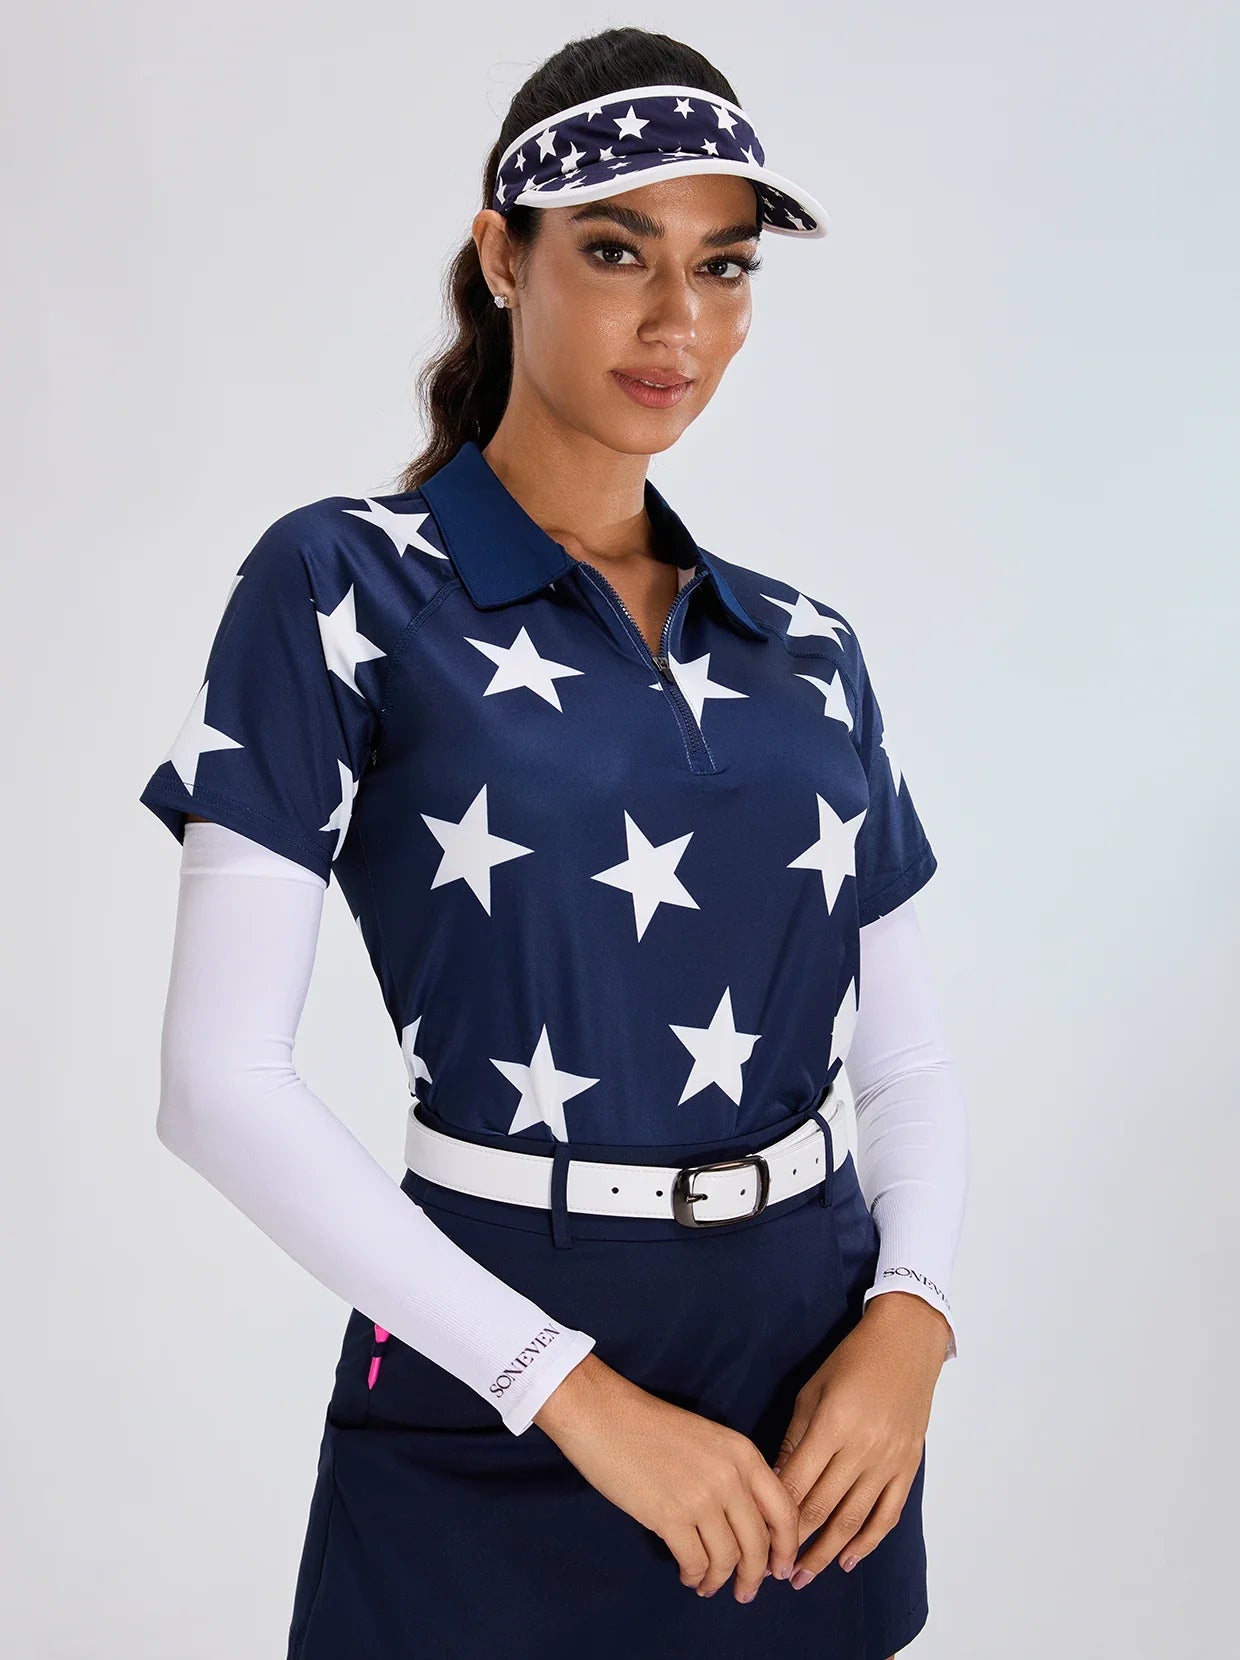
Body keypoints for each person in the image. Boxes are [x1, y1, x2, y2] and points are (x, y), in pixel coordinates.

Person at [139, 25, 968, 1660]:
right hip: (494, 1378)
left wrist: (913, 1319)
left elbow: (909, 1057)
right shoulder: (342, 582)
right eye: (615, 250)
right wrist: (569, 1391)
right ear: (501, 256)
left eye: (723, 266)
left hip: (816, 1397)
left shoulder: (806, 644)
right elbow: (213, 1082)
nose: (678, 321)